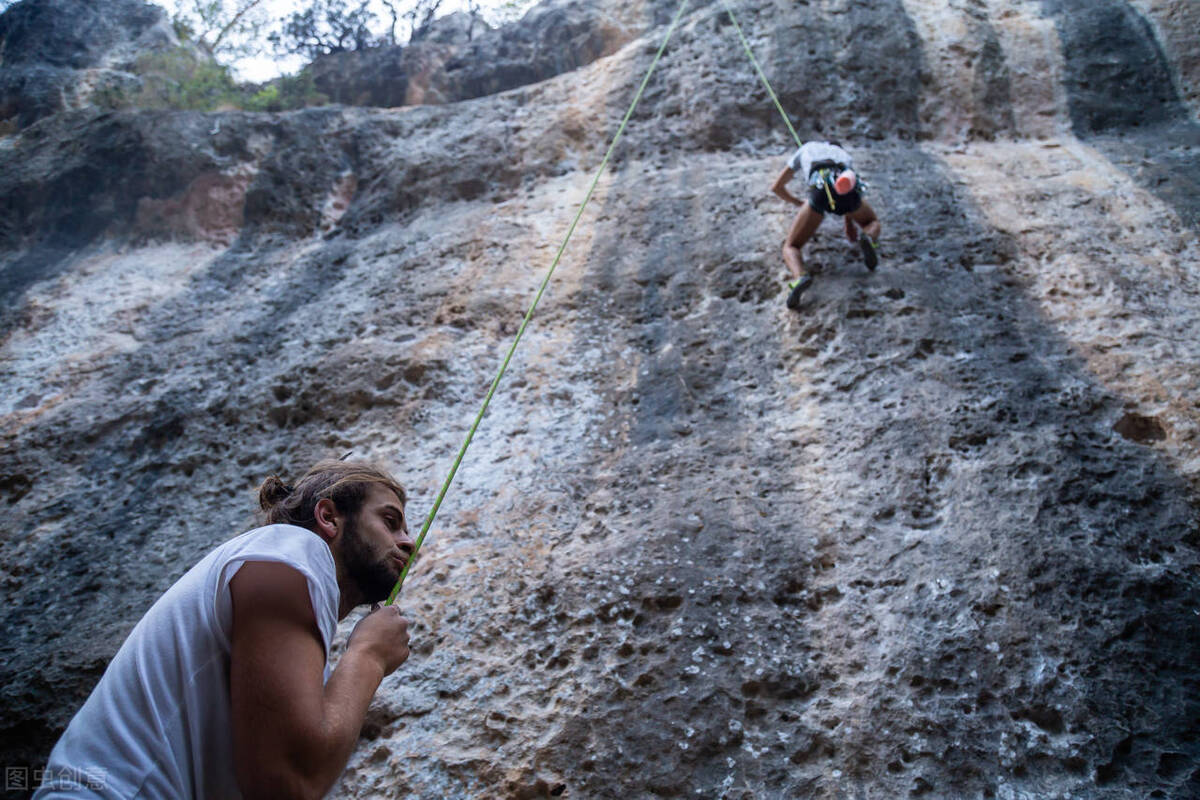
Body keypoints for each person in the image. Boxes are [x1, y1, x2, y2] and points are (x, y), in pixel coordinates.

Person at [34, 460, 417, 799]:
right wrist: (368, 656)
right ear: (329, 517)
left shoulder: (283, 602)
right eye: (390, 521)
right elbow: (288, 783)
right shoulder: (293, 550)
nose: (409, 542)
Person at [771, 139, 882, 309]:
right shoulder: (844, 156)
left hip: (820, 192)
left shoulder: (807, 148)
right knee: (872, 221)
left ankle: (800, 276)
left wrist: (799, 203)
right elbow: (845, 187)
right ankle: (868, 236)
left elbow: (777, 187)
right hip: (847, 192)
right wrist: (850, 223)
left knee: (791, 246)